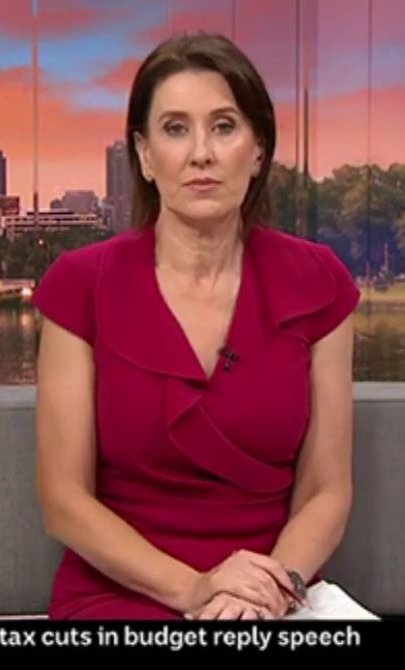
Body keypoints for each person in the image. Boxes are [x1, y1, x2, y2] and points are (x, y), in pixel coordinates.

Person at [31, 31, 360, 620]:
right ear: (144, 155)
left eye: (224, 127)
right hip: (122, 595)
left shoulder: (319, 283)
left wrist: (269, 591)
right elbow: (64, 500)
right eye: (175, 129)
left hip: (272, 594)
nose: (201, 153)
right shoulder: (80, 286)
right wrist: (194, 589)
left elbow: (325, 490)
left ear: (258, 151)